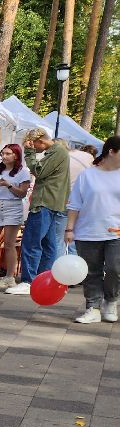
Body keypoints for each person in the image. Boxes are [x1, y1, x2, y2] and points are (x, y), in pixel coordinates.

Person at [8, 127, 72, 295]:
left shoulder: (57, 151)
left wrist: (29, 154)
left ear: (40, 141)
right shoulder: (59, 151)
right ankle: (43, 280)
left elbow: (39, 171)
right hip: (54, 203)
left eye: (34, 145)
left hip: (44, 202)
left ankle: (28, 281)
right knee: (49, 245)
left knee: (31, 243)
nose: (33, 149)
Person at [65, 136, 120, 324]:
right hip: (88, 231)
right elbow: (75, 204)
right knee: (91, 272)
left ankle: (111, 300)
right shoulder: (87, 175)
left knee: (114, 269)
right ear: (111, 152)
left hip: (116, 232)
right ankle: (93, 307)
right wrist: (69, 229)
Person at [0, 143, 30, 290]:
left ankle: (9, 277)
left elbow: (22, 193)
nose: (4, 156)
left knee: (9, 244)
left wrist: (8, 185)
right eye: (3, 153)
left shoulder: (23, 172)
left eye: (8, 154)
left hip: (13, 206)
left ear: (16, 155)